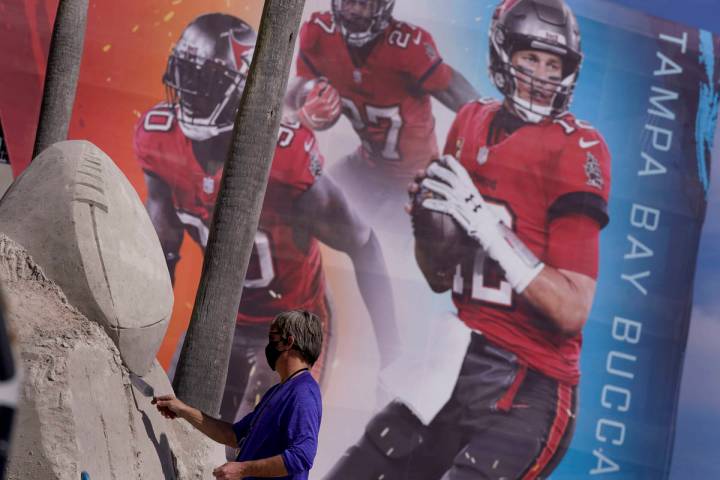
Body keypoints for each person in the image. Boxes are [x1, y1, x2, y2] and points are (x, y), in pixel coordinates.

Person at [324, 0, 611, 478]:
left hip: (530, 384)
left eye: (553, 63)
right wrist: (428, 221)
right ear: (503, 56)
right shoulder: (471, 121)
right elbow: (439, 278)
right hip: (455, 359)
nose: (541, 74)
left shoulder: (578, 147)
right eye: (530, 58)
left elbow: (572, 309)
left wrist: (482, 223)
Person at [134, 13, 400, 424]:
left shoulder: (285, 162)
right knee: (169, 429)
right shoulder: (159, 140)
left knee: (249, 454)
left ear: (237, 88)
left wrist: (393, 357)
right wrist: (139, 338)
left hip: (290, 327)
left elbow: (364, 246)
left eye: (203, 80)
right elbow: (163, 250)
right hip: (219, 315)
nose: (187, 91)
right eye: (184, 75)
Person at [287, 0, 479, 222]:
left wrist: (496, 125)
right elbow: (293, 98)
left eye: (364, 4)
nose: (354, 11)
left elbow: (465, 100)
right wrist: (306, 108)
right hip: (367, 164)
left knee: (393, 239)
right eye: (349, 1)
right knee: (302, 206)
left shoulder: (409, 48)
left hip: (416, 177)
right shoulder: (317, 33)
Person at [153, 310, 323, 480]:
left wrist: (242, 469)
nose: (268, 344)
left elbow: (302, 456)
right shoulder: (279, 390)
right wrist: (183, 410)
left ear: (288, 342)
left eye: (272, 337)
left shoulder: (303, 393)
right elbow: (233, 435)